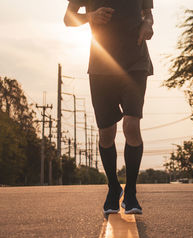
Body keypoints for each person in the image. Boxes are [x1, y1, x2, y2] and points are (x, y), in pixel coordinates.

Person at [64, 0, 154, 215]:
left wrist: (147, 25)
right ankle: (114, 188)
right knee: (106, 133)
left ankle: (131, 192)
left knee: (131, 126)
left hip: (135, 63)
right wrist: (90, 17)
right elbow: (68, 19)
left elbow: (147, 13)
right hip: (101, 66)